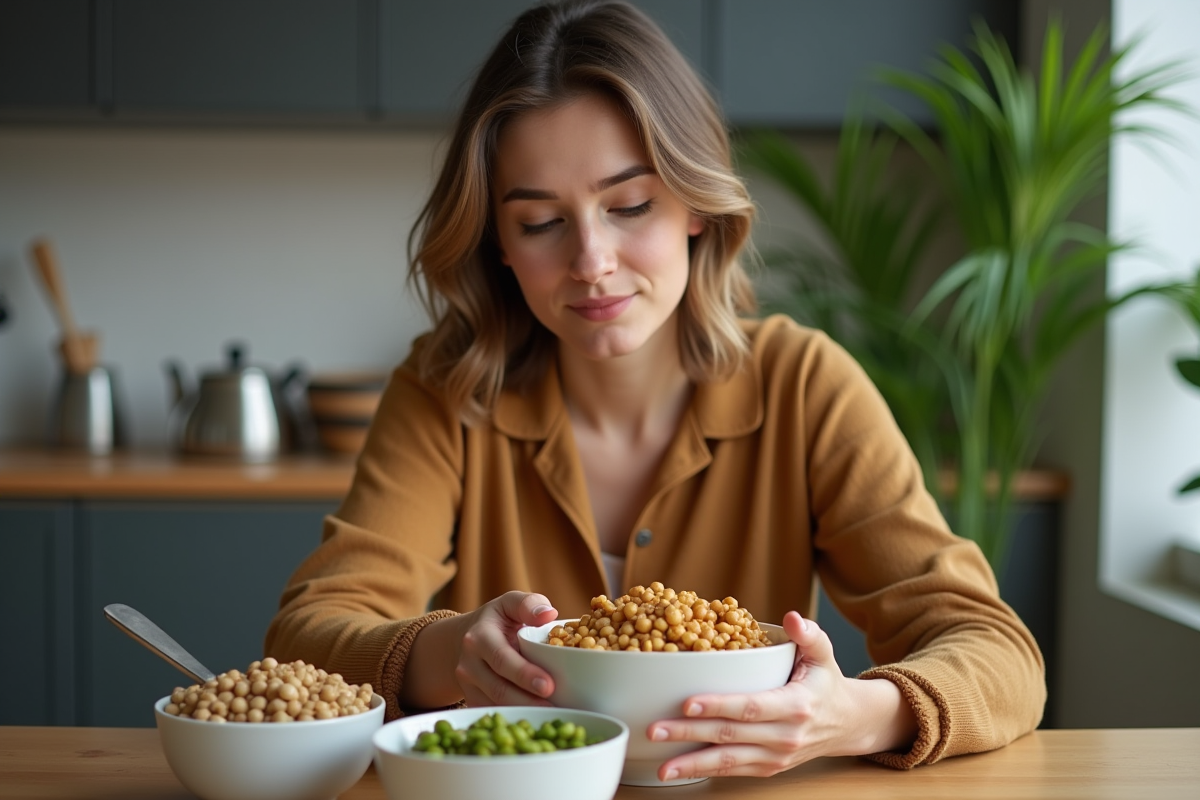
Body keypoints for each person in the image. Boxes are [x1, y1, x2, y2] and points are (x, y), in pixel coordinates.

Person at [265, 0, 1044, 780]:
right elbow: (306, 633)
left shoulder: (806, 385)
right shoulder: (447, 390)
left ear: (697, 205)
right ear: (497, 243)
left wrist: (853, 715)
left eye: (630, 206)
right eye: (540, 222)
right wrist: (453, 654)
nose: (592, 260)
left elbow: (997, 650)